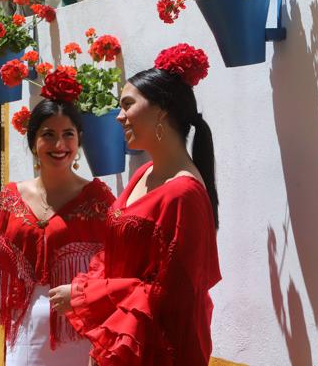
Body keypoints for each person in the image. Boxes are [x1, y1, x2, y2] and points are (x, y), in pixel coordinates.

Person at [49, 47, 221, 366]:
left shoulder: (182, 194)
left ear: (162, 111)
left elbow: (169, 296)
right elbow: (112, 250)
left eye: (128, 104)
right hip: (122, 341)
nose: (119, 116)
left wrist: (88, 296)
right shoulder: (144, 173)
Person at [0, 98, 115, 365]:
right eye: (49, 135)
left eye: (68, 134)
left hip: (80, 335)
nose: (59, 145)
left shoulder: (99, 200)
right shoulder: (10, 199)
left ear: (79, 140)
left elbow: (119, 265)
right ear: (34, 141)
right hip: (26, 333)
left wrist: (84, 292)